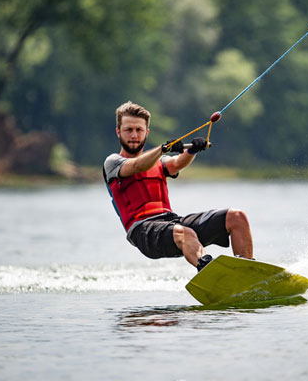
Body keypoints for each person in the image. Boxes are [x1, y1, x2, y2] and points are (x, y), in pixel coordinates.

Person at [103, 101, 254, 271]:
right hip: (143, 231)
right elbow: (138, 166)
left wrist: (191, 151)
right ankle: (210, 271)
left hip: (171, 221)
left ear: (146, 132)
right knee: (185, 232)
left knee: (236, 216)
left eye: (139, 130)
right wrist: (163, 148)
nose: (134, 135)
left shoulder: (158, 161)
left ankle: (247, 273)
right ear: (118, 132)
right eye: (128, 130)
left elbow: (176, 163)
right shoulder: (113, 162)